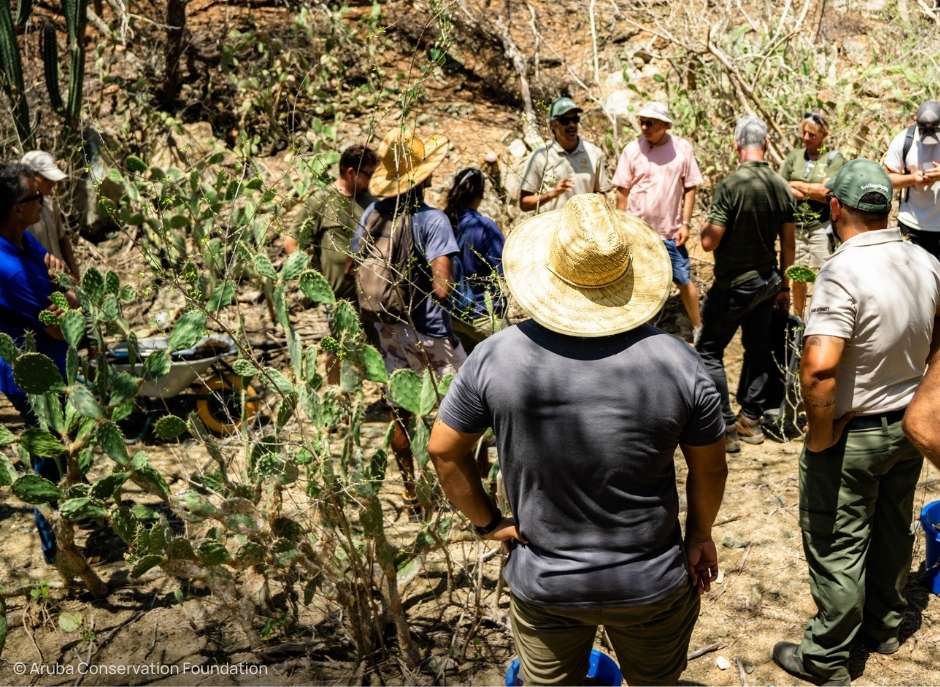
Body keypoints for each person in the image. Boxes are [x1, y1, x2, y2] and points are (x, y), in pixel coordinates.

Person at [428, 193, 728, 685]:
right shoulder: (677, 361)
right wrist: (699, 536)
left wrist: (487, 523)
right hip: (651, 580)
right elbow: (709, 467)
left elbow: (443, 450)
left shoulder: (495, 357)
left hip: (546, 584)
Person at [772, 160, 940, 685]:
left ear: (836, 207)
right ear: (887, 207)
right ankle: (885, 625)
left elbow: (820, 369)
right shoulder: (923, 261)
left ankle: (826, 658)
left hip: (855, 431)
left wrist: (820, 436)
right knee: (891, 525)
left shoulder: (842, 270)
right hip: (906, 425)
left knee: (838, 540)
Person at [353, 129, 465, 509]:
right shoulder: (432, 220)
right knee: (459, 412)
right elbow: (442, 286)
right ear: (424, 175)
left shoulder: (372, 212)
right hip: (429, 330)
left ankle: (412, 492)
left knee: (400, 410)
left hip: (386, 325)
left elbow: (358, 261)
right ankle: (457, 492)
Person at [697, 114, 796, 453]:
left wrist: (702, 229)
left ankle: (724, 425)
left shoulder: (730, 185)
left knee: (709, 349)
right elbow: (789, 242)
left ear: (736, 146)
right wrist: (784, 286)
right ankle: (751, 420)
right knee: (758, 348)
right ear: (765, 145)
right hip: (767, 282)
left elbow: (710, 241)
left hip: (734, 286)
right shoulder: (781, 185)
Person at [0, 163, 75, 569]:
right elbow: (63, 325)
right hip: (30, 377)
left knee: (63, 453)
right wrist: (65, 290)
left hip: (53, 366)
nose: (42, 202)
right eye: (35, 197)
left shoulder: (23, 241)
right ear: (16, 207)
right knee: (46, 462)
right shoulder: (7, 268)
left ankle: (66, 535)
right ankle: (56, 550)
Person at [285, 144, 377, 384]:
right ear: (350, 172)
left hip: (369, 292)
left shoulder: (370, 202)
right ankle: (337, 398)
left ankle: (362, 398)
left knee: (369, 346)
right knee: (337, 346)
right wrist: (312, 280)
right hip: (336, 296)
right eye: (368, 173)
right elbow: (292, 241)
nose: (372, 179)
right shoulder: (322, 200)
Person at [613, 102, 704, 341]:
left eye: (650, 122)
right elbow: (622, 191)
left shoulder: (682, 148)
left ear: (665, 125)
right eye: (642, 121)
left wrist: (685, 223)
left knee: (684, 279)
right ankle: (633, 332)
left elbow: (691, 187)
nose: (644, 127)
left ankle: (698, 327)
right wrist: (621, 226)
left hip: (670, 231)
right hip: (637, 232)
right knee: (635, 281)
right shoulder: (632, 150)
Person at [777, 112, 845, 316]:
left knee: (825, 273)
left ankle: (822, 315)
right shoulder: (794, 158)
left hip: (821, 227)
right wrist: (811, 189)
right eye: (804, 133)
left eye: (812, 135)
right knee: (798, 275)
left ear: (823, 135)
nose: (806, 138)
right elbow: (781, 187)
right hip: (796, 227)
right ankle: (798, 317)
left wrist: (796, 185)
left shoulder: (832, 159)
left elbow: (827, 192)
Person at [443, 167, 506, 350]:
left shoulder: (443, 221)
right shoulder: (484, 226)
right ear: (481, 194)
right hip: (483, 314)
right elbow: (502, 269)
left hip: (453, 315)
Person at [518, 97, 609, 213]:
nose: (571, 125)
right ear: (553, 125)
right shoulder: (540, 157)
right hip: (553, 228)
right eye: (565, 121)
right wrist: (553, 193)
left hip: (586, 227)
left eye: (575, 119)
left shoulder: (594, 153)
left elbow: (601, 193)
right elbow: (524, 203)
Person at [884, 99, 940, 259]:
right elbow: (887, 180)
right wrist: (913, 178)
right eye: (924, 130)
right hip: (912, 223)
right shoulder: (903, 141)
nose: (929, 135)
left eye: (934, 130)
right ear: (915, 121)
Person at [21, 151, 80, 280]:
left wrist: (74, 271)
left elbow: (62, 238)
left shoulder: (49, 204)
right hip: (36, 281)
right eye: (47, 179)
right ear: (30, 177)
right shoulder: (19, 214)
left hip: (60, 278)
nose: (53, 183)